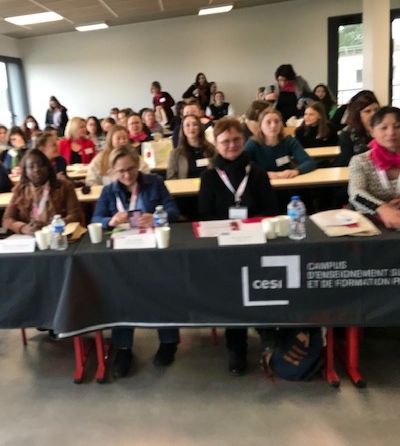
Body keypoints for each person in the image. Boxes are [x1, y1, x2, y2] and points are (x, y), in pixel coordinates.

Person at [91, 145, 180, 378]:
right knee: (121, 294)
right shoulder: (109, 191)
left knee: (162, 290)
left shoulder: (154, 183)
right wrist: (110, 221)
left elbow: (173, 210)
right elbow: (96, 219)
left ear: (138, 165)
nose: (127, 175)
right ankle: (123, 348)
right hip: (123, 252)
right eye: (121, 171)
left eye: (131, 169)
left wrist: (157, 217)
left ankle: (168, 342)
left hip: (153, 250)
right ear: (113, 171)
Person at [198, 119, 278, 375]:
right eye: (225, 141)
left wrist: (248, 229)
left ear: (243, 141)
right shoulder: (209, 177)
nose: (231, 145)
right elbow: (205, 215)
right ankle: (236, 346)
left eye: (236, 140)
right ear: (215, 144)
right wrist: (230, 231)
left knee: (262, 282)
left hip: (255, 245)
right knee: (233, 291)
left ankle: (267, 332)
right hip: (224, 249)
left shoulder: (258, 173)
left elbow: (270, 211)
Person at [2, 149, 81, 235]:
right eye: (31, 167)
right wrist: (23, 228)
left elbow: (75, 216)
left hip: (59, 234)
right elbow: (7, 219)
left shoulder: (64, 185)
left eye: (41, 165)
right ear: (25, 171)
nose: (36, 170)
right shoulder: (20, 190)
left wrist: (52, 225)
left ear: (48, 167)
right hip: (30, 237)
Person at [348, 106, 400, 229]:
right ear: (372, 131)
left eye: (398, 127)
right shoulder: (360, 161)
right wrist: (383, 208)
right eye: (383, 128)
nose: (391, 133)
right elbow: (356, 193)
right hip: (371, 223)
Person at [244, 109, 316, 179]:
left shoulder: (288, 141)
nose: (273, 126)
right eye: (268, 122)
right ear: (260, 126)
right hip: (261, 182)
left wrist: (296, 171)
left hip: (285, 182)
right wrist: (263, 174)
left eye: (277, 122)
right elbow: (241, 165)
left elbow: (309, 162)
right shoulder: (253, 143)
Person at [85, 125, 150, 186]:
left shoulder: (133, 156)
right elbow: (91, 180)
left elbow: (145, 172)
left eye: (124, 138)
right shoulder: (101, 158)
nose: (122, 141)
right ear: (111, 140)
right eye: (118, 139)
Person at [335, 92, 380, 167]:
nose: (373, 114)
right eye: (367, 111)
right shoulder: (347, 134)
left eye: (376, 110)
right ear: (358, 115)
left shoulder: (385, 130)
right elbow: (346, 162)